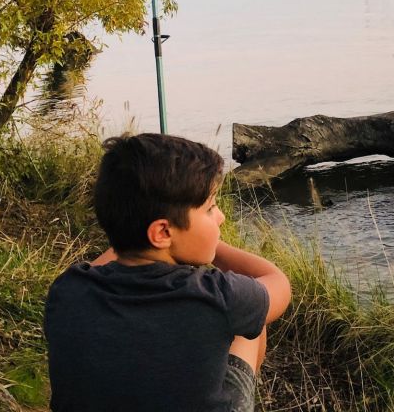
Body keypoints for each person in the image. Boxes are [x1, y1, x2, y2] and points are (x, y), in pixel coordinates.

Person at [44, 133, 291, 412]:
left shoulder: (67, 289)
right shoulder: (216, 296)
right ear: (162, 232)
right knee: (252, 323)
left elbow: (115, 257)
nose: (220, 217)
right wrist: (215, 246)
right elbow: (277, 282)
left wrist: (129, 236)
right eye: (210, 209)